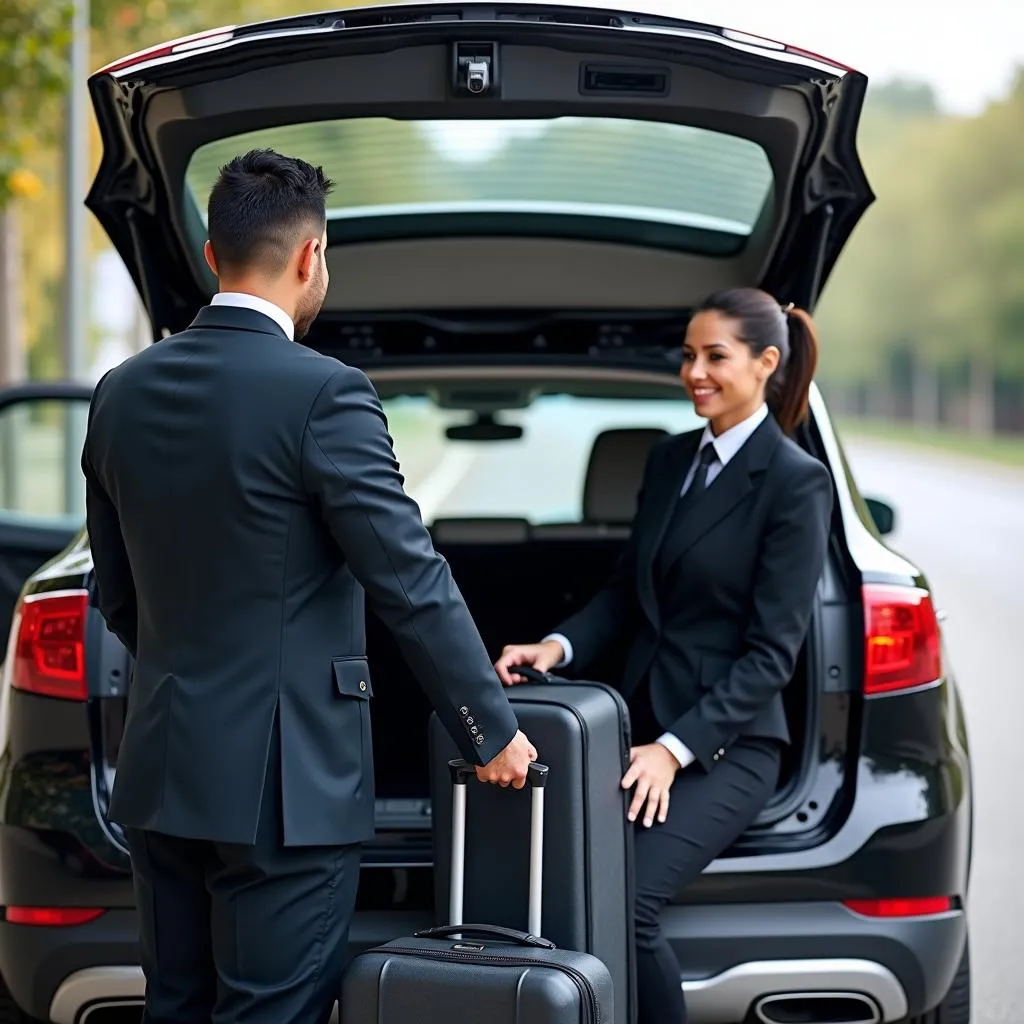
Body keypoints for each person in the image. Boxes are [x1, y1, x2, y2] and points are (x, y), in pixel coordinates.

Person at [81, 148, 536, 1024]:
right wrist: (492, 728)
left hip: (165, 764)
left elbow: (117, 590)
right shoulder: (325, 394)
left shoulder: (120, 392)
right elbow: (407, 578)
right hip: (283, 793)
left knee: (176, 1006)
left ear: (213, 256)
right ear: (310, 257)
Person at [494, 287, 834, 1024]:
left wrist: (675, 751)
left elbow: (772, 656)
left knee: (627, 903)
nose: (694, 373)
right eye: (687, 356)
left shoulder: (795, 483)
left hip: (728, 746)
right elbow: (625, 594)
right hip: (634, 726)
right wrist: (554, 646)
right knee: (567, 888)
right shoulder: (671, 458)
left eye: (716, 356)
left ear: (766, 363)